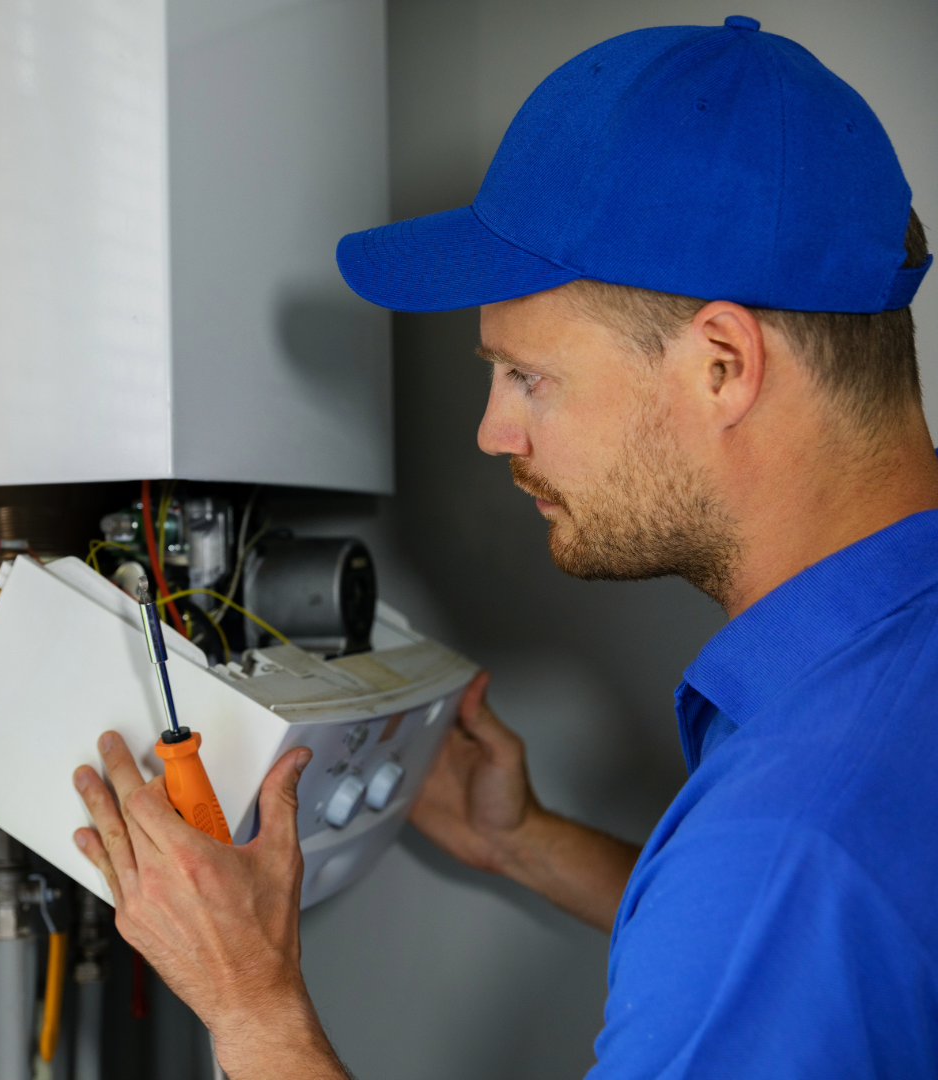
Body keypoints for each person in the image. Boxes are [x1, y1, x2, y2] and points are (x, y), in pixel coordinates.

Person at [71, 16, 938, 1078]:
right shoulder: (880, 686)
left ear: (722, 365)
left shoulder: (782, 843)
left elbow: (776, 901)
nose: (493, 431)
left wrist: (254, 1007)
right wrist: (523, 840)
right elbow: (836, 964)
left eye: (528, 376)